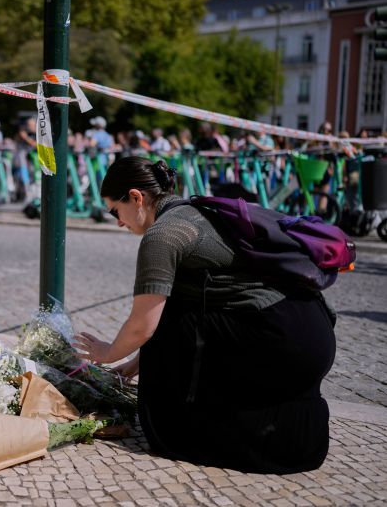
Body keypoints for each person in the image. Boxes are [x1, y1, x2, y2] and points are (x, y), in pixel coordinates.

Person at [73, 156, 336, 474]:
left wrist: (106, 352)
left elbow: (143, 326)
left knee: (165, 329)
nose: (117, 221)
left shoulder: (163, 235)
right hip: (309, 331)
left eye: (116, 210)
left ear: (136, 197)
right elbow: (182, 307)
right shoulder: (194, 210)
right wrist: (134, 364)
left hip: (282, 339)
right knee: (172, 319)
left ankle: (173, 431)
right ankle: (288, 435)